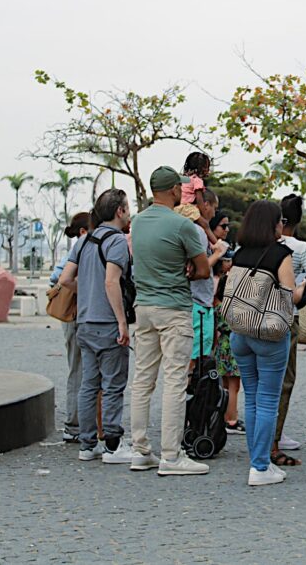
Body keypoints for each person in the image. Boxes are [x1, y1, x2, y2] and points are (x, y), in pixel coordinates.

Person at [128, 166, 211, 476]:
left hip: (144, 307)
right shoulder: (182, 225)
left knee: (142, 381)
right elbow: (203, 270)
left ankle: (140, 450)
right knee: (175, 381)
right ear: (175, 190)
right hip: (174, 308)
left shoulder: (137, 223)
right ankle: (171, 456)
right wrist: (188, 268)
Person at [228, 200, 306, 486]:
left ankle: (256, 462)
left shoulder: (239, 254)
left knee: (252, 397)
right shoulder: (280, 254)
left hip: (240, 333)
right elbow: (288, 297)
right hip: (269, 334)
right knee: (268, 400)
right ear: (273, 224)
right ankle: (260, 467)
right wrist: (303, 290)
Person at [56, 189, 134, 464]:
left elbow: (65, 279)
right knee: (113, 385)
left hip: (85, 322)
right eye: (127, 207)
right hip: (107, 321)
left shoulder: (85, 240)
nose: (129, 212)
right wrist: (122, 322)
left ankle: (87, 445)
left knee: (89, 385)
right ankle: (113, 444)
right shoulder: (116, 242)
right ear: (119, 211)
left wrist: (86, 289)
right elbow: (112, 282)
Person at [271, 193, 306, 466]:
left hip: (258, 318)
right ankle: (274, 441)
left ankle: (265, 437)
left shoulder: (266, 242)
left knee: (261, 381)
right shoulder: (300, 248)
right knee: (285, 381)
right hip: (287, 316)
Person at [50, 211, 91, 443]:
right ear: (84, 232)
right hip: (75, 316)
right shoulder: (79, 250)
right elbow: (58, 277)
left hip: (74, 317)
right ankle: (73, 425)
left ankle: (79, 423)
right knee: (78, 370)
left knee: (80, 369)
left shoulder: (76, 250)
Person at [185, 189, 229, 374]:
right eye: (214, 207)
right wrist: (218, 253)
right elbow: (200, 270)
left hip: (198, 302)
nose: (213, 212)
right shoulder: (197, 232)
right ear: (205, 205)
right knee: (196, 361)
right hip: (199, 303)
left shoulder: (196, 229)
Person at [210, 211, 244, 434]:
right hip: (232, 343)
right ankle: (231, 419)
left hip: (220, 344)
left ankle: (223, 414)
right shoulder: (228, 292)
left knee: (224, 382)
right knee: (234, 385)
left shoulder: (214, 299)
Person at [178, 152, 220, 245]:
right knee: (205, 225)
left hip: (177, 207)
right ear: (203, 168)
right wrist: (204, 215)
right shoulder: (197, 181)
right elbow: (200, 199)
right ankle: (217, 245)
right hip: (186, 208)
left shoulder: (184, 179)